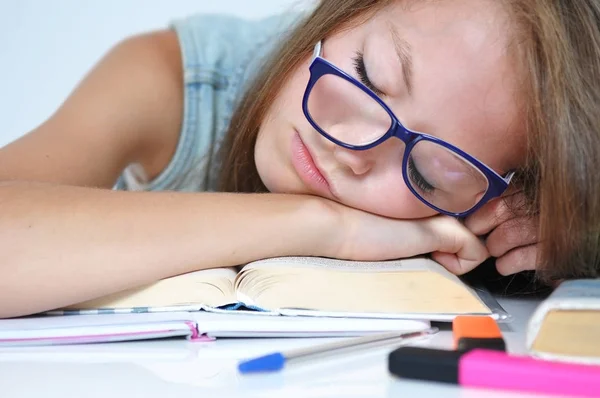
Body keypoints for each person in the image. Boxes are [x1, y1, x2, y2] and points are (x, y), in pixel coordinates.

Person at [1, 0, 598, 318]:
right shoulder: (176, 80)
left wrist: (578, 241)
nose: (353, 149)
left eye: (427, 172)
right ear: (344, 11)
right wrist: (321, 226)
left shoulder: (485, 212)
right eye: (367, 74)